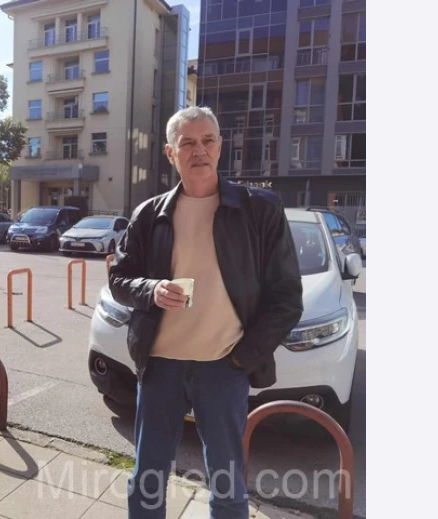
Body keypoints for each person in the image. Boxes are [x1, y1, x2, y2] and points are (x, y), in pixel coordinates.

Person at [108, 106, 303, 519]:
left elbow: (287, 297)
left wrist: (243, 359)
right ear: (170, 153)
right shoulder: (149, 214)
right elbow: (119, 279)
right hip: (160, 366)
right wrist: (151, 289)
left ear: (220, 146)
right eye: (188, 143)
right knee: (147, 478)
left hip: (224, 366)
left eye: (208, 140)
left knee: (227, 484)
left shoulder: (259, 210)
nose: (200, 150)